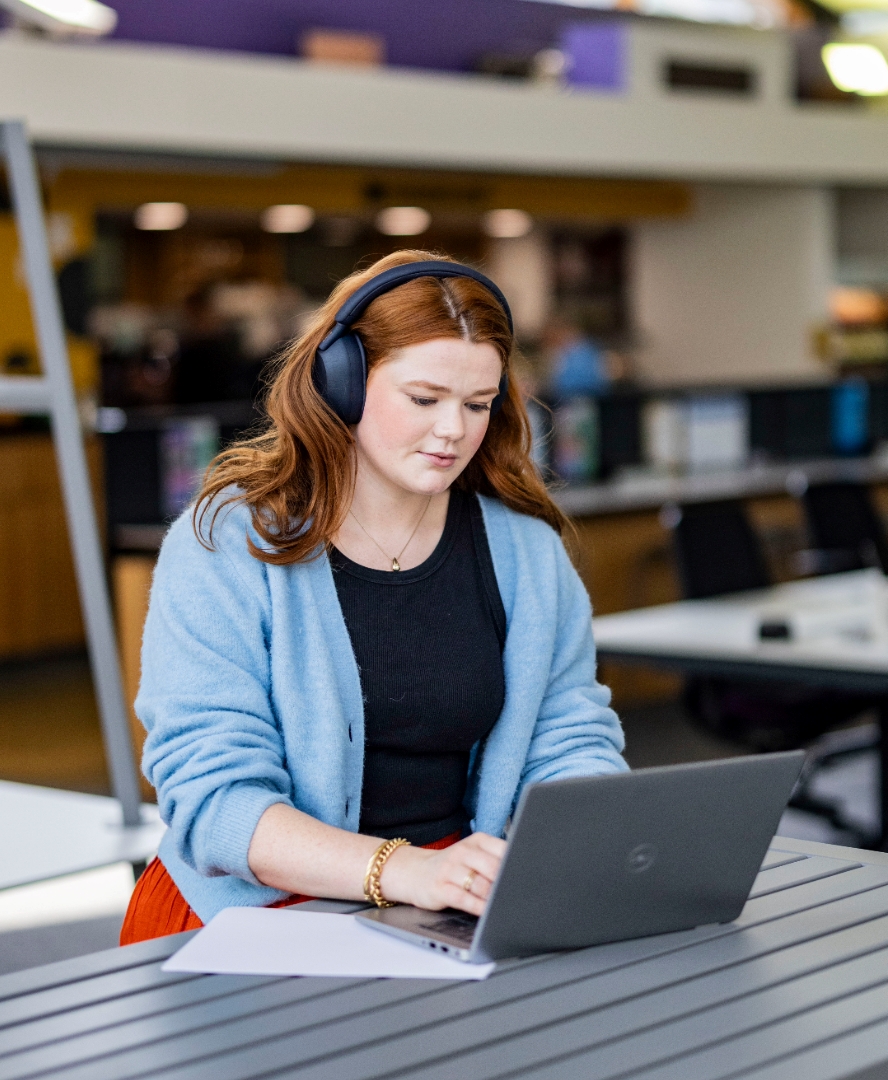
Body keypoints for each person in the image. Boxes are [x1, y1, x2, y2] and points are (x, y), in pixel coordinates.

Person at [120, 250, 627, 943]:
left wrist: (581, 836)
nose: (454, 430)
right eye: (425, 399)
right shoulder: (226, 546)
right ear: (343, 383)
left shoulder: (525, 550)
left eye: (477, 404)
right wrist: (398, 870)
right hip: (255, 911)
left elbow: (567, 735)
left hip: (444, 898)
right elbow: (216, 803)